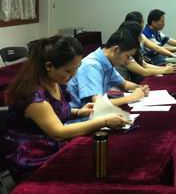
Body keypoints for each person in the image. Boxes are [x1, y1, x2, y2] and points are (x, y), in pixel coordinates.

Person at [2, 36, 130, 182]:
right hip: (32, 159)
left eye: (76, 68)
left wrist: (78, 112)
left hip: (52, 147)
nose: (73, 75)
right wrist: (104, 121)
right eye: (69, 71)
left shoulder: (54, 81)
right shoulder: (33, 95)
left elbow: (54, 112)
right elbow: (59, 133)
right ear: (49, 66)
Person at [67, 29, 150, 108]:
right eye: (128, 56)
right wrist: (132, 97)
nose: (128, 61)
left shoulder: (107, 62)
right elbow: (98, 104)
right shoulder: (91, 66)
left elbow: (124, 84)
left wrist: (139, 88)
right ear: (116, 50)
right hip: (79, 115)